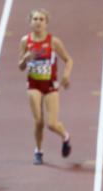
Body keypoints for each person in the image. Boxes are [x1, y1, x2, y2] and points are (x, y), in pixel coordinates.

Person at [17, 8, 73, 165]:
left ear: (46, 23)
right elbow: (20, 67)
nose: (38, 22)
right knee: (38, 121)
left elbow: (68, 60)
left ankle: (65, 136)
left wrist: (66, 75)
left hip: (50, 85)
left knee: (52, 124)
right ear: (30, 22)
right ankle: (38, 151)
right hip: (33, 84)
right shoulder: (25, 41)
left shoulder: (53, 42)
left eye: (41, 19)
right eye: (35, 19)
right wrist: (25, 59)